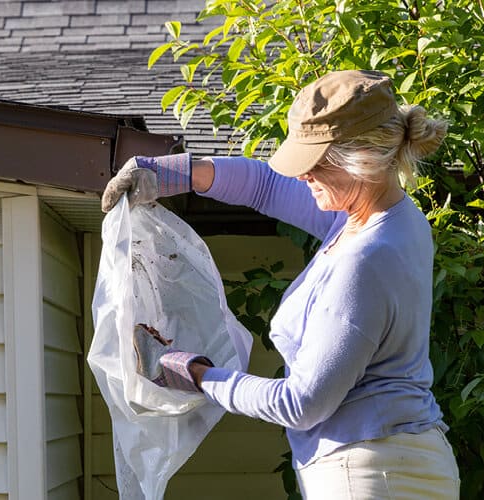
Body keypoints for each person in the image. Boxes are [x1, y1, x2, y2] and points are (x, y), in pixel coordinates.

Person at [102, 70, 460, 499]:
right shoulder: (385, 217)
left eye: (315, 165)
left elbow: (301, 403)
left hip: (369, 474)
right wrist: (175, 174)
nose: (304, 176)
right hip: (392, 461)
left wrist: (190, 372)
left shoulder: (365, 259)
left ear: (360, 158)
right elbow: (266, 185)